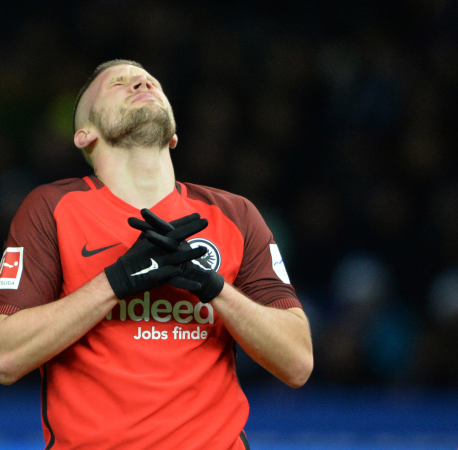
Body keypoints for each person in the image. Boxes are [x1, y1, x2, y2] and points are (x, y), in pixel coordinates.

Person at [0, 59, 313, 449]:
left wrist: (215, 289)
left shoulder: (235, 214)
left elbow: (298, 363)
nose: (140, 83)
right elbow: (5, 356)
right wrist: (115, 282)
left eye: (150, 82)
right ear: (84, 134)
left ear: (173, 135)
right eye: (119, 83)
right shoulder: (52, 207)